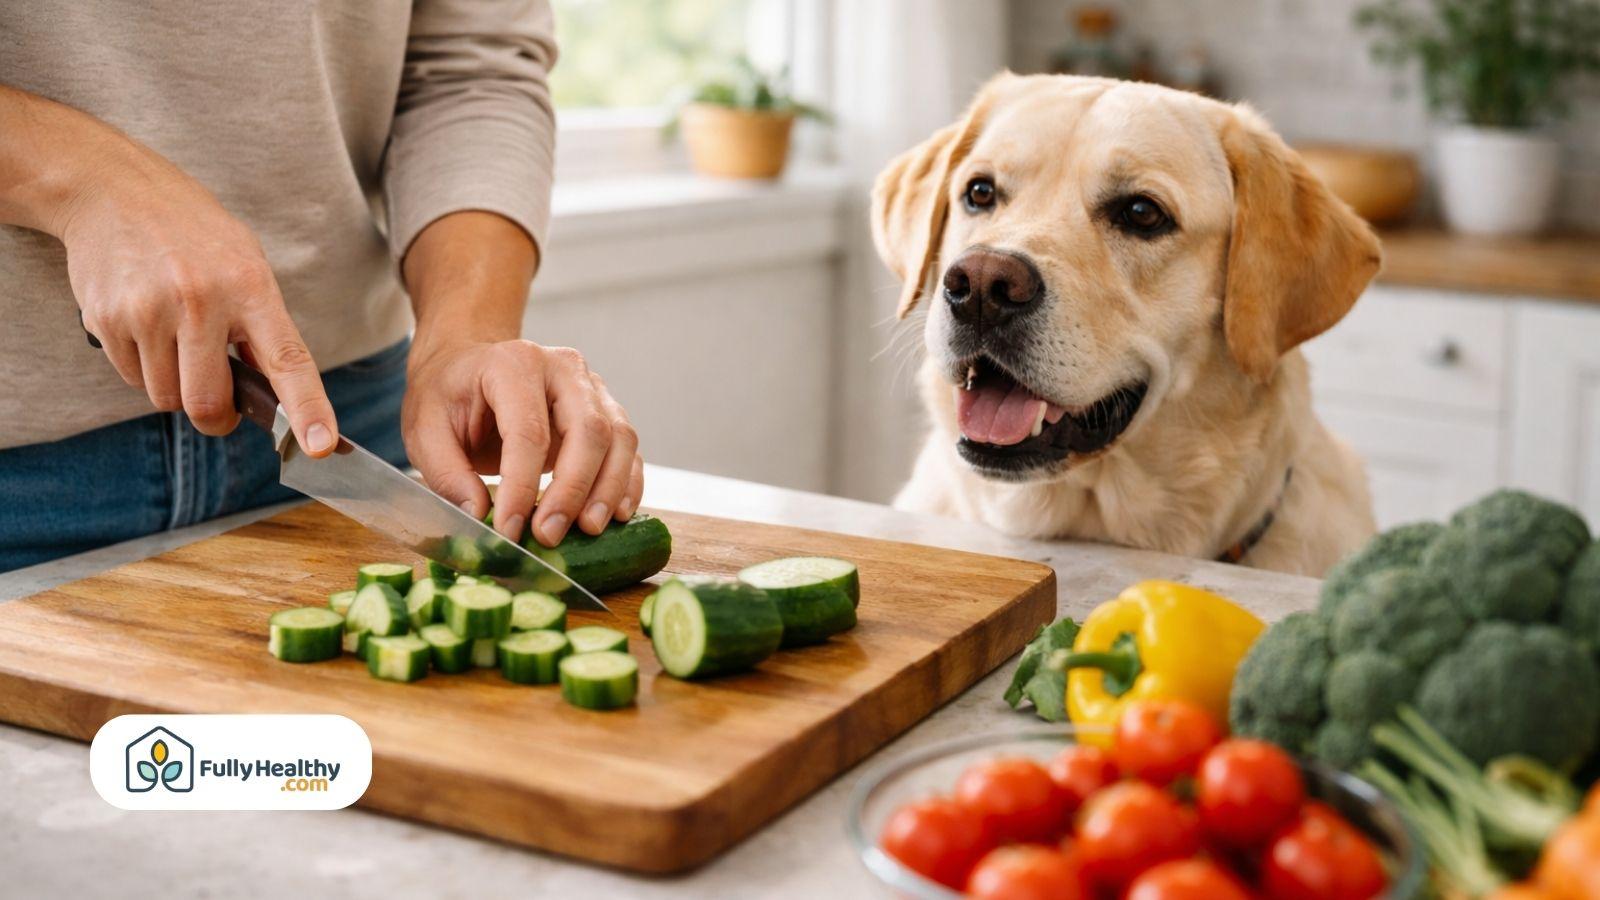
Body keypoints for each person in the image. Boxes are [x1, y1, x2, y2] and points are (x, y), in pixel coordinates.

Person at [0, 1, 643, 573]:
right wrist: (87, 181)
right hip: (21, 480)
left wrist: (463, 335)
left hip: (358, 425)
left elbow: (472, 74)